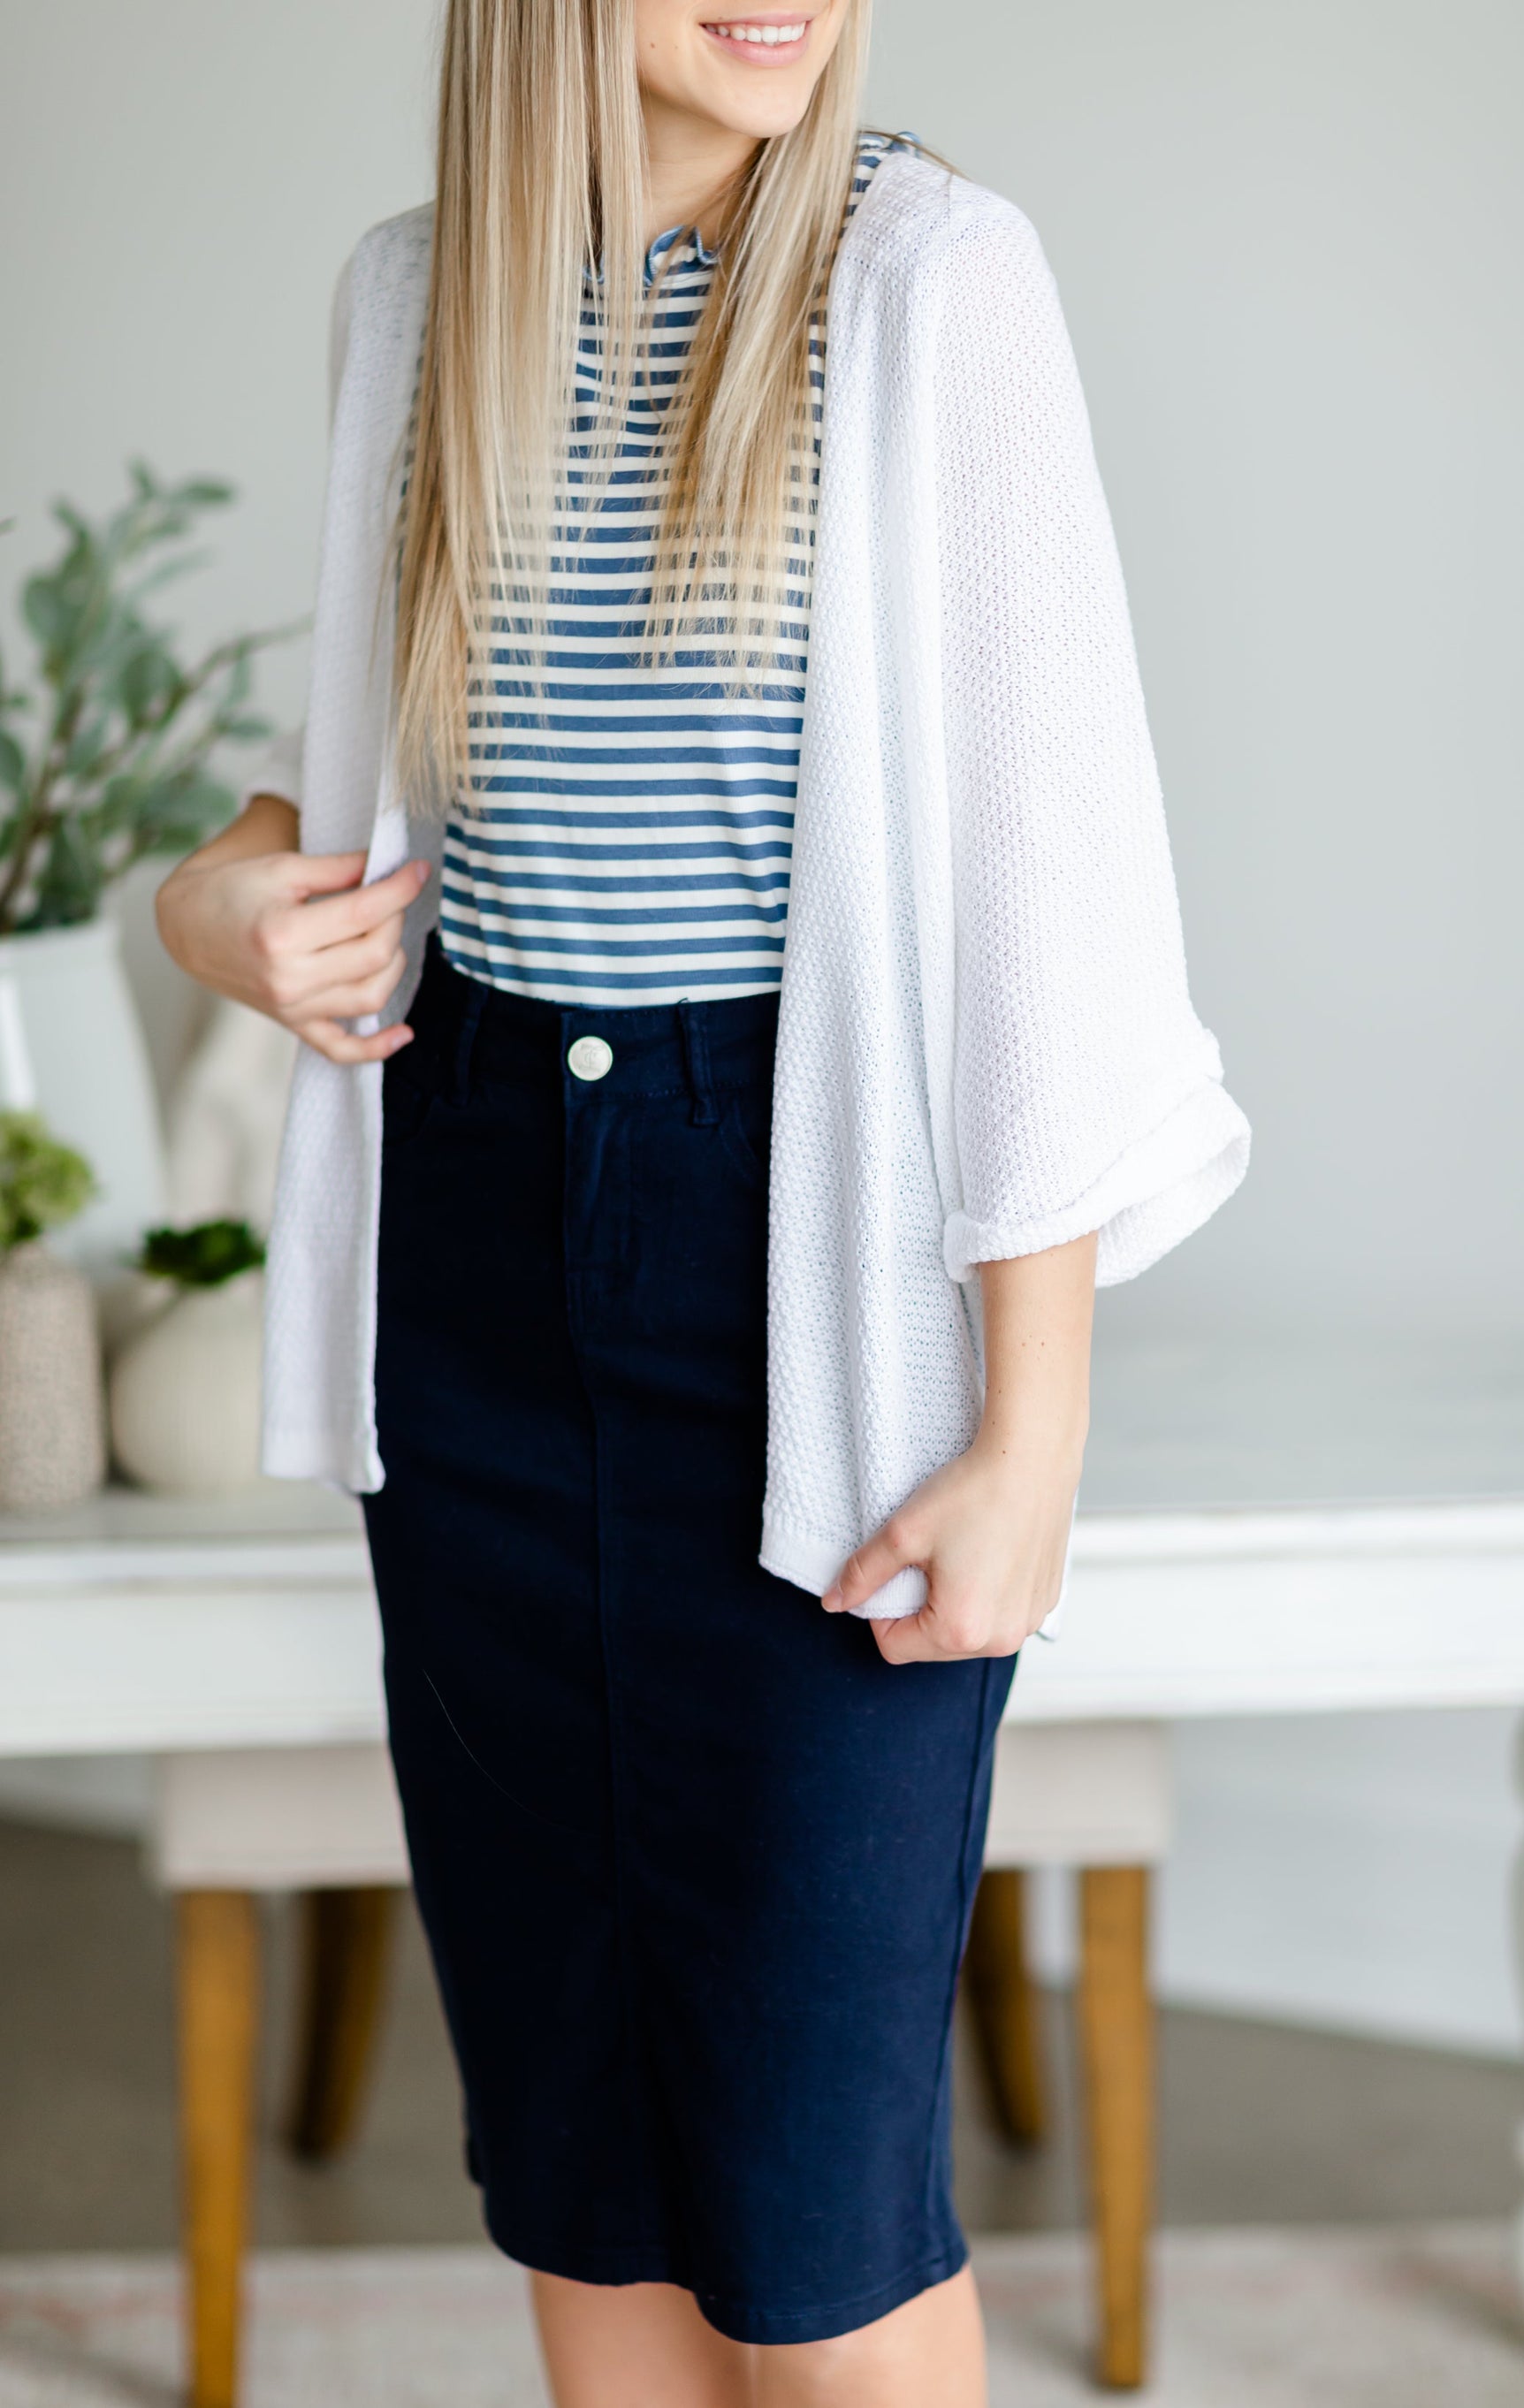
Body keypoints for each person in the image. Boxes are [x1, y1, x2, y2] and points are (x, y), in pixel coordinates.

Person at [157, 3, 1249, 2399]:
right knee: (578, 2139)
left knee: (810, 2179)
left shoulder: (929, 282)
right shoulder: (408, 300)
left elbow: (1039, 892)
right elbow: (358, 793)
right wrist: (216, 911)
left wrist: (1028, 1419)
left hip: (806, 1243)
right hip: (467, 1249)